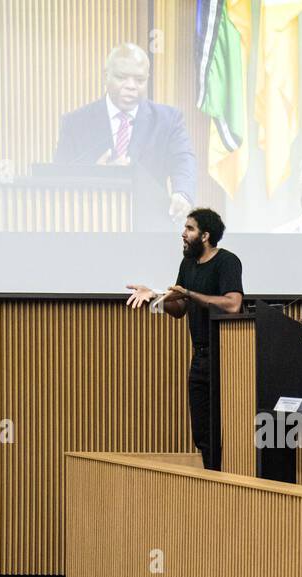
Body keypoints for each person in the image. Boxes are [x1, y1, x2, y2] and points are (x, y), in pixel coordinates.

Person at [125, 208, 244, 470]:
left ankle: (227, 478)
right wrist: (154, 298)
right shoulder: (187, 264)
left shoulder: (227, 262)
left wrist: (189, 293)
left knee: (226, 428)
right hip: (200, 355)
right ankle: (211, 478)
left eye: (189, 229)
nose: (183, 233)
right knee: (201, 430)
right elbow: (179, 309)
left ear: (205, 235)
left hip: (227, 354)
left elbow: (233, 304)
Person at [52, 42, 197, 230]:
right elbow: (57, 177)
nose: (131, 86)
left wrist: (182, 194)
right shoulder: (75, 123)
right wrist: (93, 174)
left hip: (149, 232)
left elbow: (183, 160)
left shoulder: (168, 120)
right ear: (106, 76)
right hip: (91, 229)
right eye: (122, 77)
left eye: (139, 80)